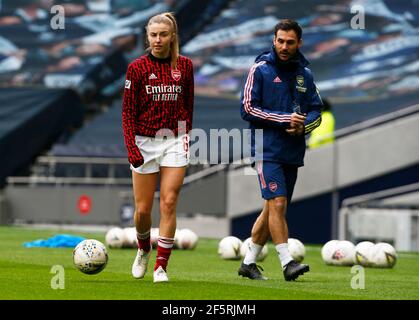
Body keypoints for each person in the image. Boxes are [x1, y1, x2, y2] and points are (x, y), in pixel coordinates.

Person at [239, 19, 322, 281]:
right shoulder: (260, 69)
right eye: (280, 41)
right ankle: (287, 262)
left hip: (293, 151)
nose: (284, 47)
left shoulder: (305, 75)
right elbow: (247, 109)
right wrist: (285, 119)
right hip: (266, 150)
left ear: (299, 43)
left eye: (290, 42)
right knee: (277, 202)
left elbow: (316, 110)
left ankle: (248, 263)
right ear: (273, 41)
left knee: (273, 208)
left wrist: (303, 127)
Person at [122, 12, 194, 283]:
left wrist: (186, 134)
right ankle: (143, 249)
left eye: (163, 34)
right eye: (153, 35)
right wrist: (131, 146)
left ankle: (161, 267)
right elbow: (128, 111)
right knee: (142, 211)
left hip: (175, 139)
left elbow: (188, 105)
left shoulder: (185, 66)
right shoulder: (137, 68)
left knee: (169, 201)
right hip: (143, 140)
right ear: (147, 36)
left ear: (172, 36)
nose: (158, 40)